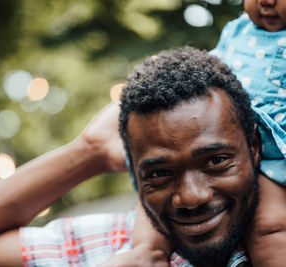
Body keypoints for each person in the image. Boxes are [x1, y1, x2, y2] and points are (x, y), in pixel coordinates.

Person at [0, 46, 268, 266]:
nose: (191, 196)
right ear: (134, 174)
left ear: (254, 146)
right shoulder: (115, 249)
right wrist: (88, 152)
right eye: (159, 172)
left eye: (216, 161)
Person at [115, 1, 286, 266]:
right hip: (240, 138)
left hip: (277, 155)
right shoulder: (237, 31)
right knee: (154, 217)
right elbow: (211, 67)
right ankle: (147, 252)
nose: (266, 2)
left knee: (269, 227)